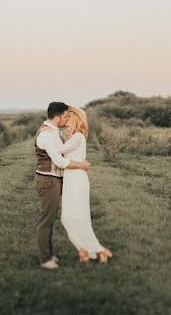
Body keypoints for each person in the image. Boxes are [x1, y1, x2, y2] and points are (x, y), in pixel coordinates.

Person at [35, 101, 90, 270]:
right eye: (66, 115)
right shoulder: (46, 134)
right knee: (47, 220)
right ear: (58, 117)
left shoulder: (53, 131)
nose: (68, 118)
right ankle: (45, 259)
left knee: (50, 218)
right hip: (48, 180)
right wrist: (81, 165)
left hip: (54, 179)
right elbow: (58, 160)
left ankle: (49, 254)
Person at [58, 105, 113, 264]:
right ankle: (84, 250)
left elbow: (58, 150)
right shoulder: (73, 137)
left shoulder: (78, 137)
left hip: (77, 179)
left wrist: (51, 131)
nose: (65, 120)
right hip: (71, 179)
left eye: (68, 117)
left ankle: (98, 250)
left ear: (74, 119)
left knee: (78, 217)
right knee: (68, 217)